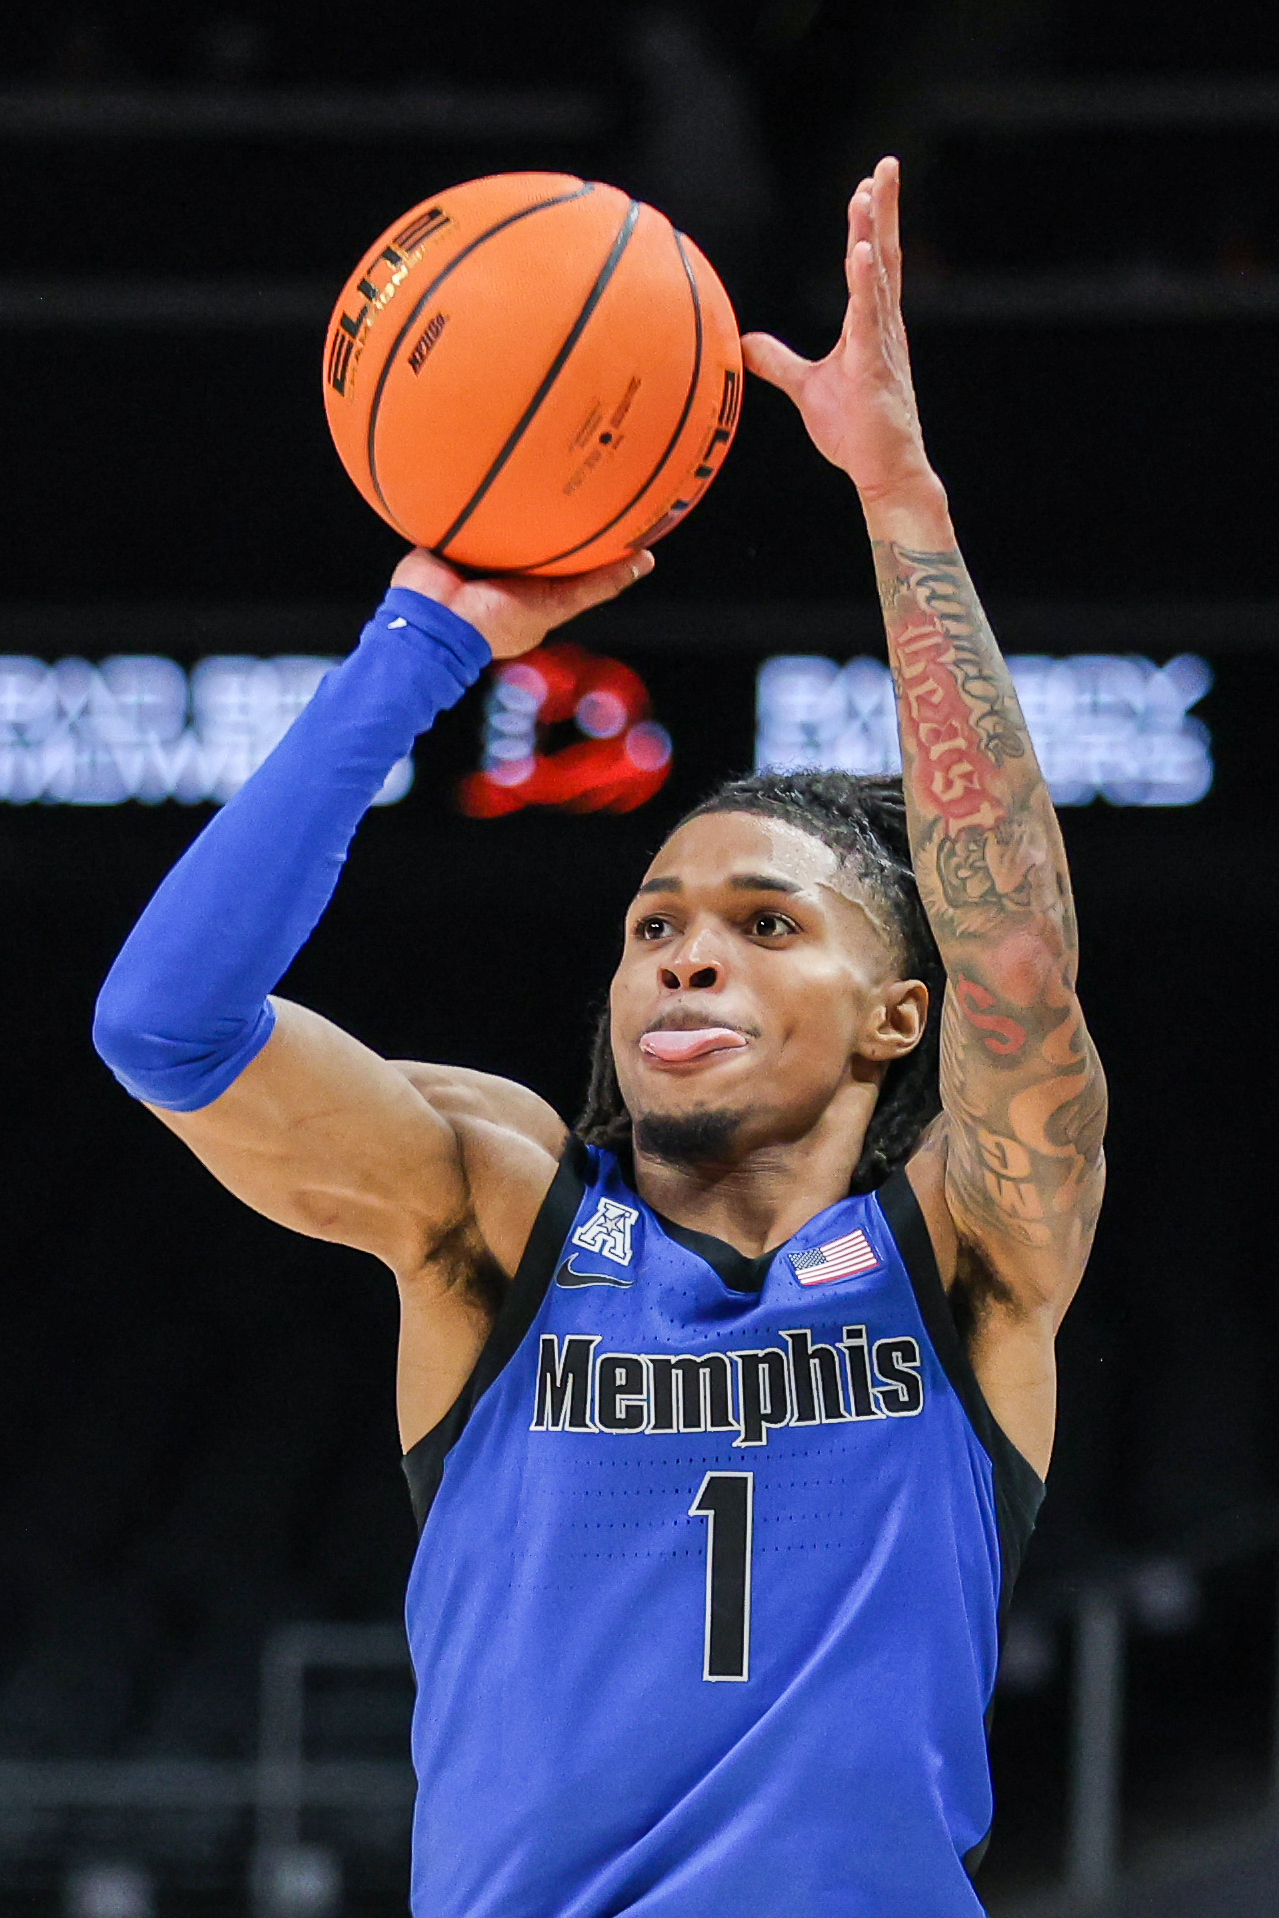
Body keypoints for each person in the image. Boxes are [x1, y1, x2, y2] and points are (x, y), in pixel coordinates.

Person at [93, 157, 1106, 1916]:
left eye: (762, 926)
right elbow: (169, 1023)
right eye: (654, 929)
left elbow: (1020, 956)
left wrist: (901, 505)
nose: (683, 960)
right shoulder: (497, 1215)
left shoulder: (963, 1256)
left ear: (898, 1017)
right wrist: (424, 646)